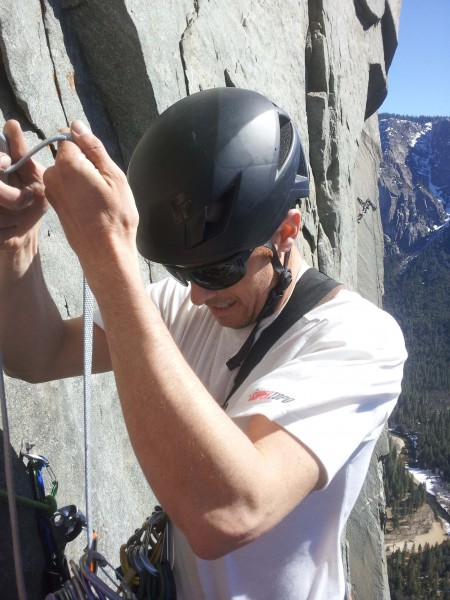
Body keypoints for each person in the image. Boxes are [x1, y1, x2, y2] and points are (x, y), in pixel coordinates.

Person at [0, 88, 406, 599]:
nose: (196, 293)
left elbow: (229, 511)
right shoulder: (184, 304)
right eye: (182, 270)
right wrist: (15, 245)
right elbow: (37, 354)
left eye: (218, 269)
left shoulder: (358, 341)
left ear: (287, 231)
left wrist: (108, 256)